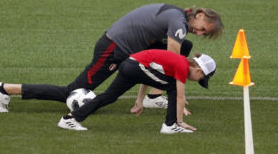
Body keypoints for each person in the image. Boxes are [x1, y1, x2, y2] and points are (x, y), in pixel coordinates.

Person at [0, 3, 223, 113]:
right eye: (204, 28)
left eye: (205, 34)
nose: (200, 32)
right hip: (114, 48)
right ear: (200, 15)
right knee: (72, 91)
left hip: (128, 48)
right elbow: (172, 61)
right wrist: (178, 96)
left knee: (186, 47)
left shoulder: (176, 15)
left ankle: (153, 97)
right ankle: (3, 89)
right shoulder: (178, 23)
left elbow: (167, 58)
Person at [57, 49, 216, 134]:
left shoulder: (178, 63)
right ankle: (171, 125)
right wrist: (180, 121)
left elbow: (146, 77)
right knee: (173, 87)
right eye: (201, 78)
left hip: (132, 65)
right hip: (135, 66)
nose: (197, 80)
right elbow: (180, 97)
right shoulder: (182, 66)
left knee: (109, 96)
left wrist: (140, 101)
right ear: (198, 69)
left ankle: (69, 120)